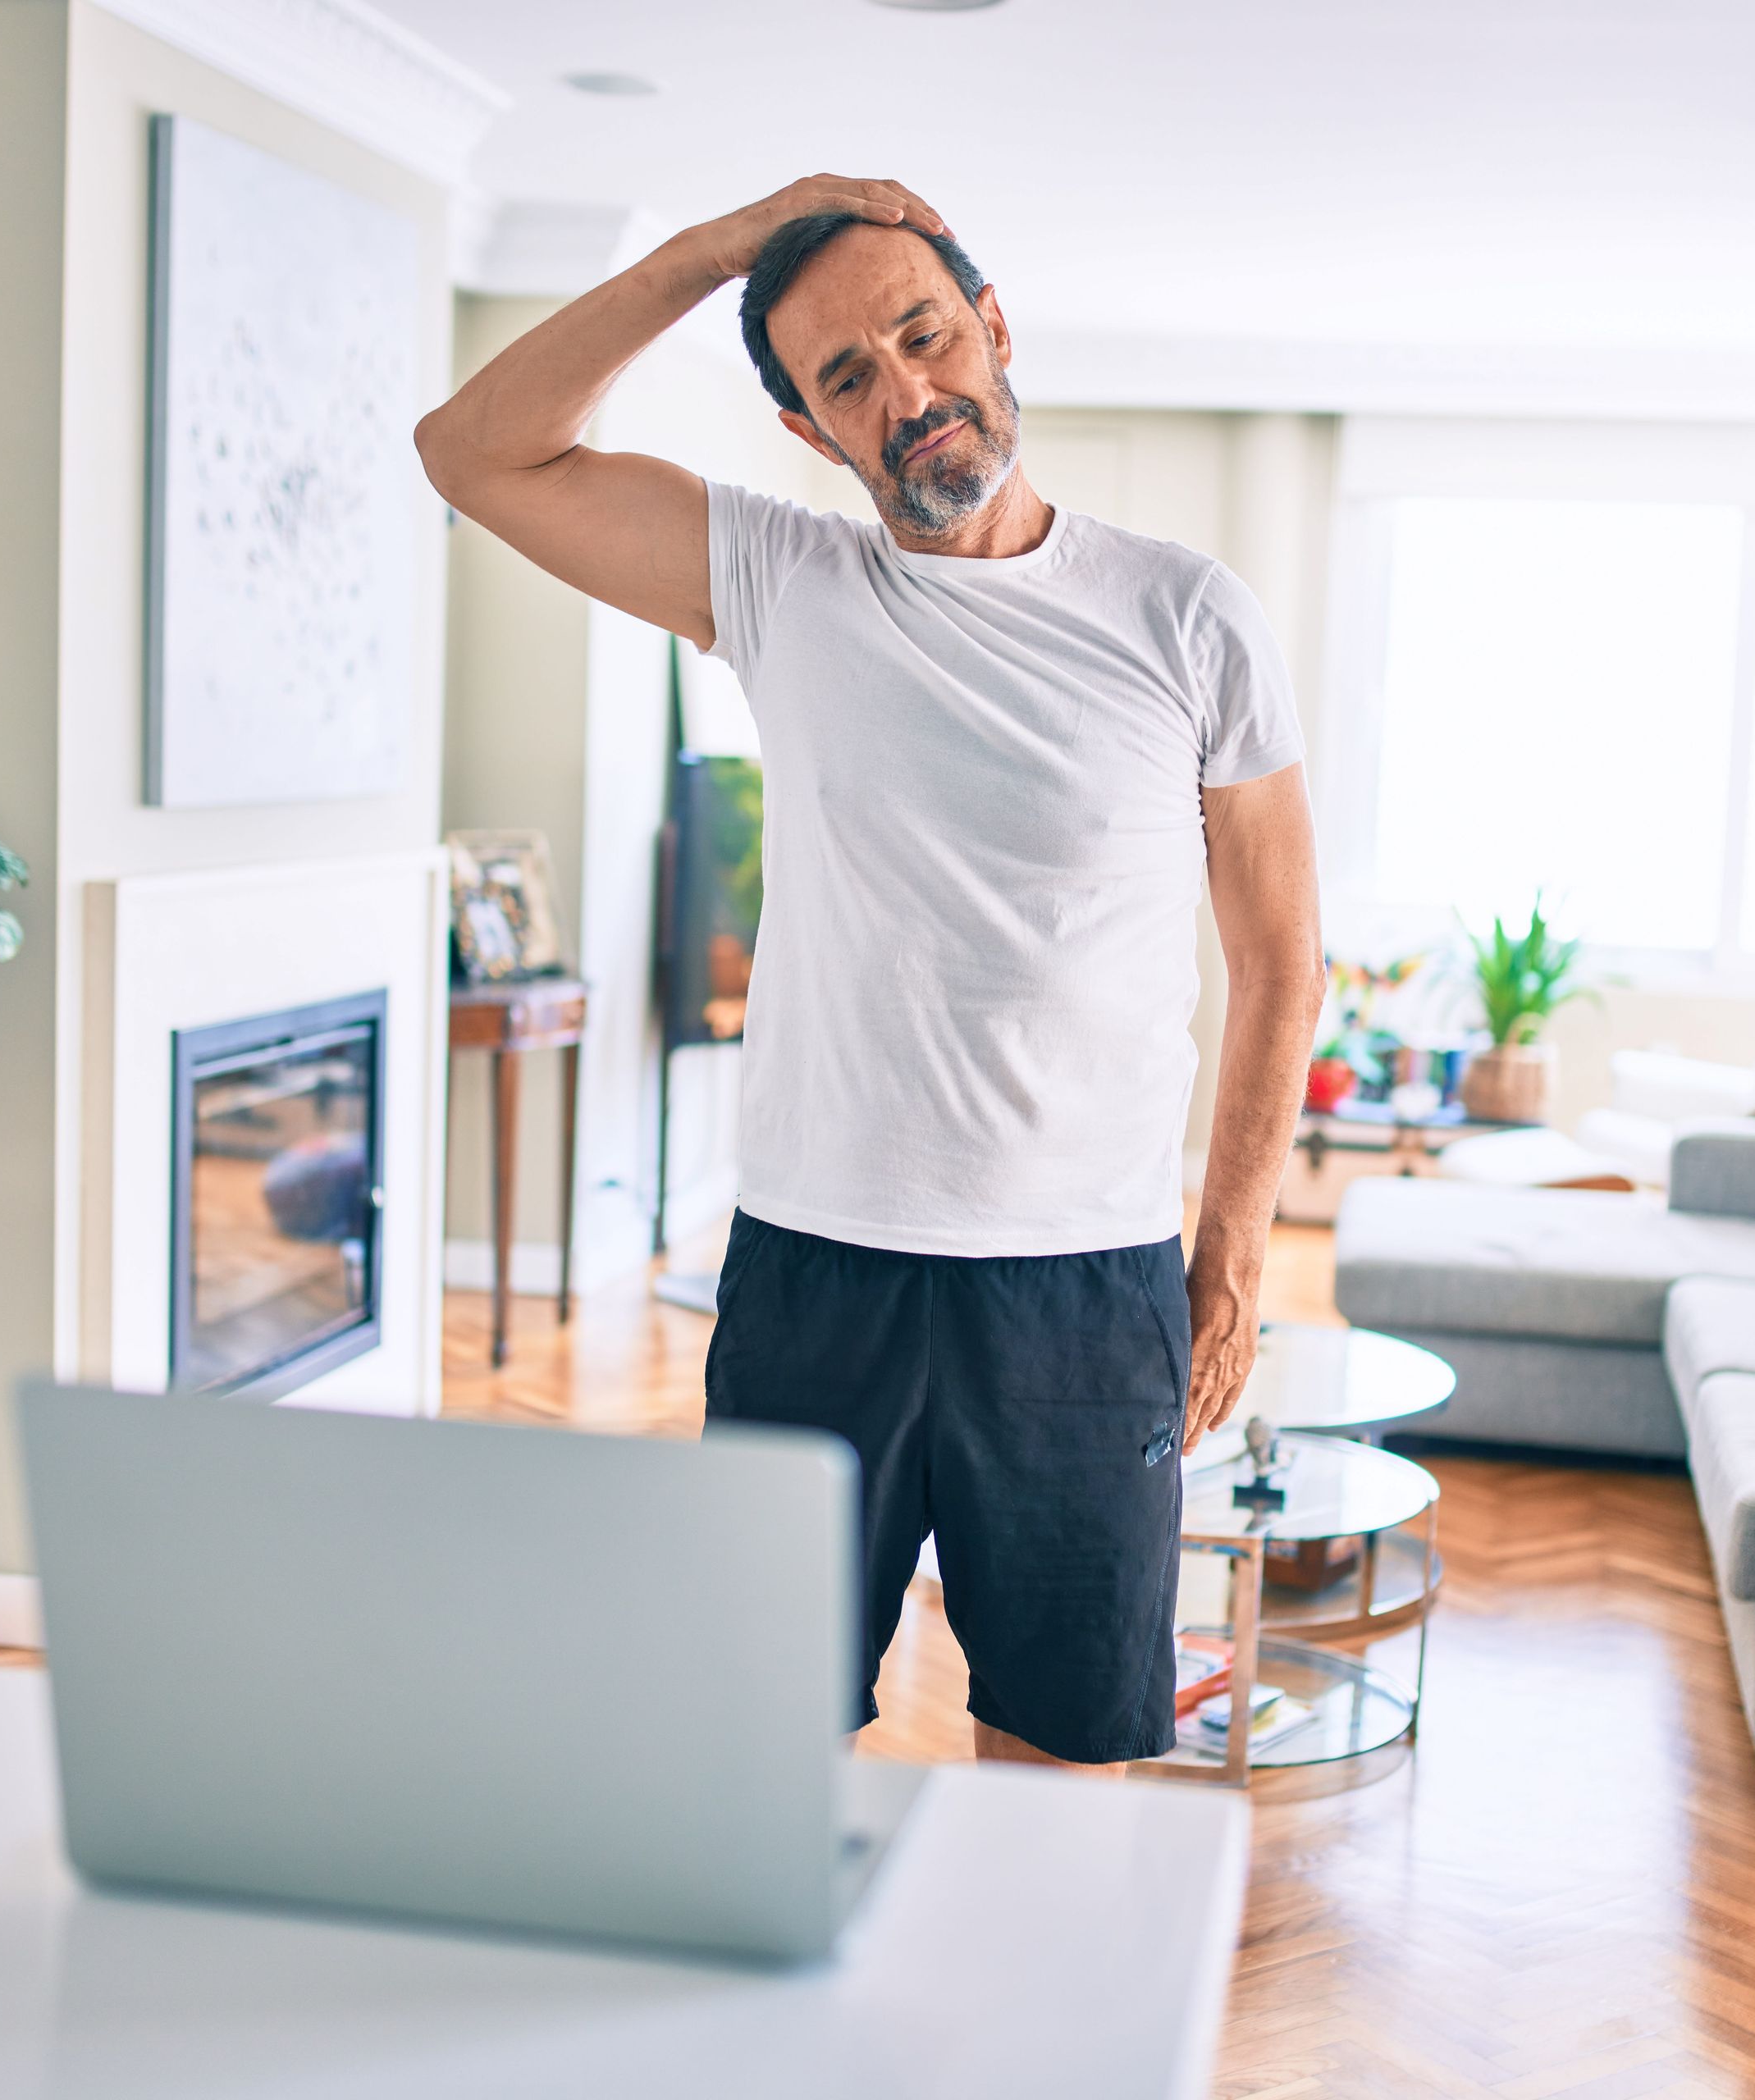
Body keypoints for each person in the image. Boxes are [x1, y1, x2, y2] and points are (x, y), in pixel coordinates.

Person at [416, 176, 1324, 1771]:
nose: (905, 392)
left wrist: (1230, 1258)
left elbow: (1281, 957)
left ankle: (1021, 2025)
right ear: (810, 430)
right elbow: (473, 452)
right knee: (754, 1746)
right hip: (815, 1273)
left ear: (992, 329)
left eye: (922, 334)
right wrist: (712, 254)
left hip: (1083, 1286)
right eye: (846, 376)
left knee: (1063, 1767)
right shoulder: (780, 583)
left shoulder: (1187, 615)